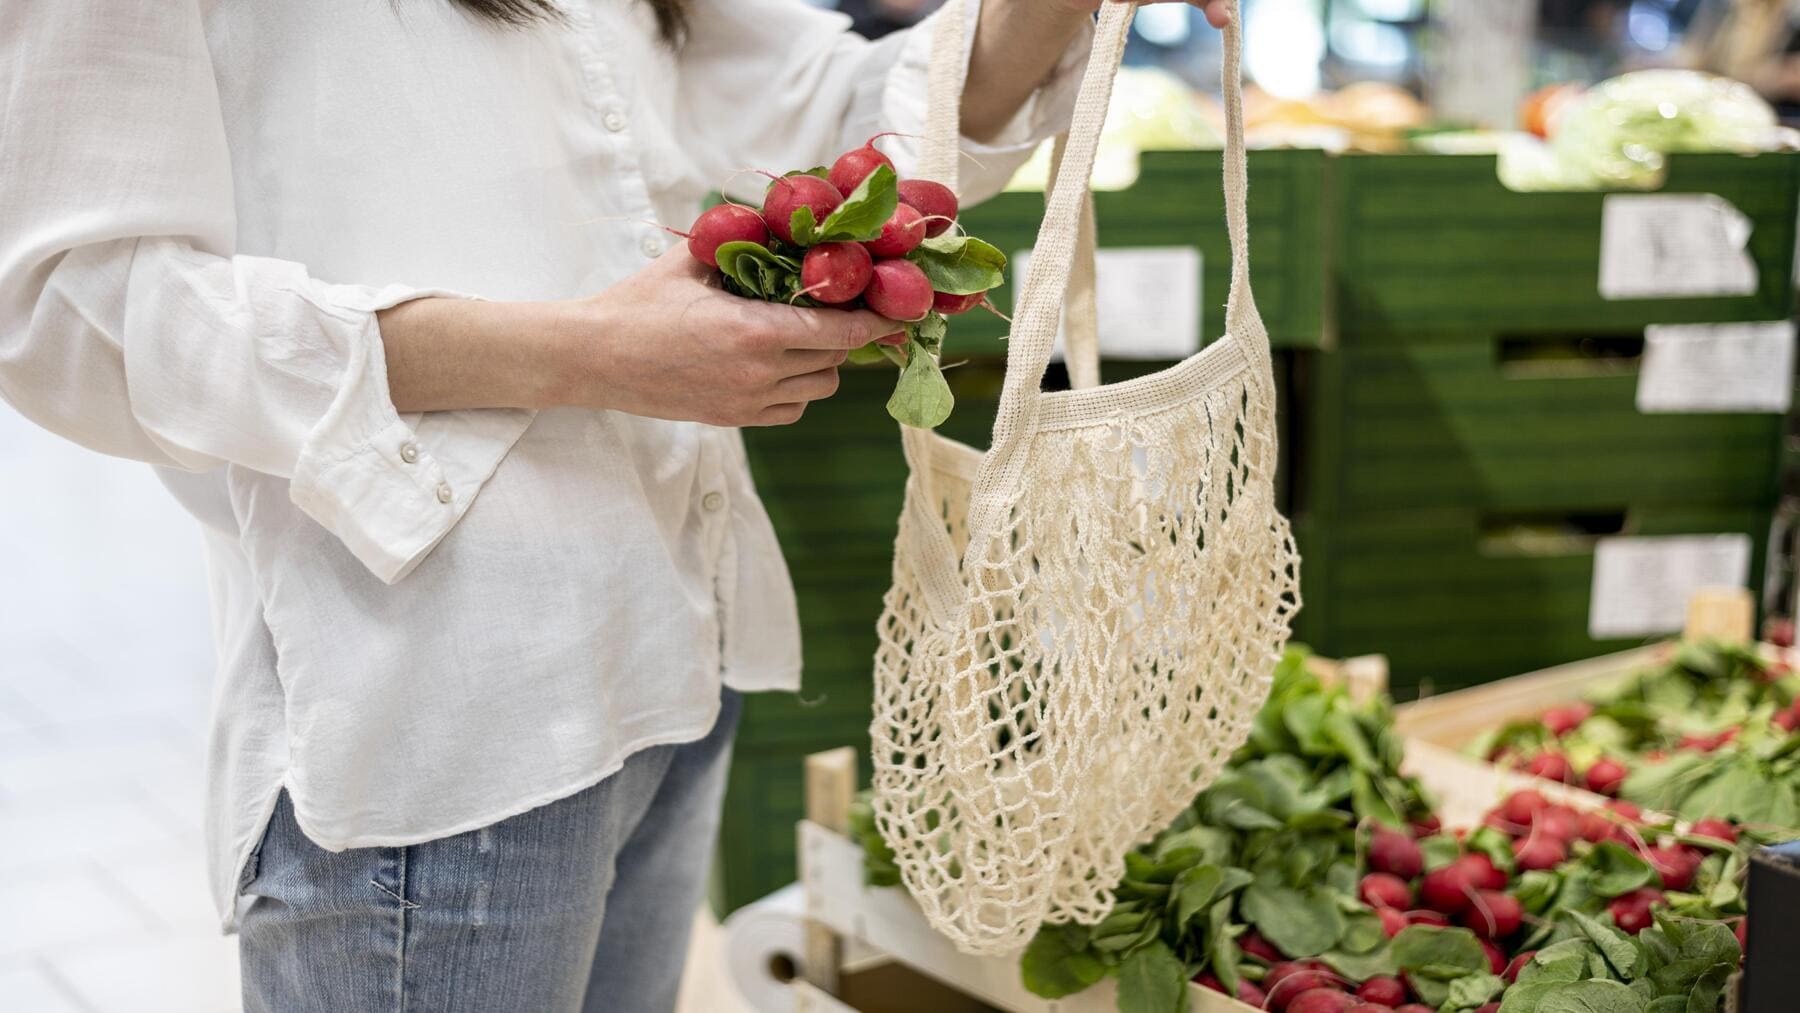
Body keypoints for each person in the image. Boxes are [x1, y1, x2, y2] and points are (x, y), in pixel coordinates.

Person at [0, 0, 1227, 1009]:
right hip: (443, 701)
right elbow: (71, 309)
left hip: (672, 652)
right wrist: (584, 351)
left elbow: (848, 111)